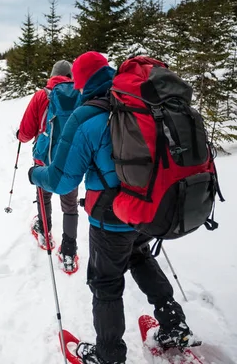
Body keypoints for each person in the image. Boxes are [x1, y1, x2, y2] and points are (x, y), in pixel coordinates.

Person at [28, 52, 193, 364]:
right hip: (147, 207)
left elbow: (62, 181)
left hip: (110, 217)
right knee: (140, 256)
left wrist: (34, 173)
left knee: (105, 283)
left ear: (81, 82)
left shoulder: (86, 117)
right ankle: (174, 324)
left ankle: (109, 356)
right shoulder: (136, 101)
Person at [16, 60, 79, 271]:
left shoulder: (41, 95)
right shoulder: (79, 94)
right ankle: (69, 251)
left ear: (52, 76)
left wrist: (19, 135)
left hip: (44, 158)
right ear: (70, 76)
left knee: (43, 196)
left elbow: (25, 132)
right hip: (71, 159)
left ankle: (44, 230)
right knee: (70, 204)